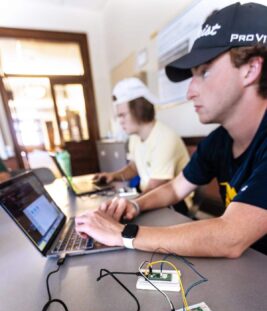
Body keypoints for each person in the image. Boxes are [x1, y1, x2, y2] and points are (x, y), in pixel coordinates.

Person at [76, 2, 267, 258]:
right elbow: (175, 188)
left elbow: (230, 236)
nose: (190, 92)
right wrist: (134, 205)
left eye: (204, 72)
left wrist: (122, 234)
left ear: (251, 69)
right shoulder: (219, 141)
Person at [94, 77, 192, 214]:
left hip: (174, 205)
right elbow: (134, 168)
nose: (120, 121)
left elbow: (157, 187)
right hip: (149, 195)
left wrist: (128, 205)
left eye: (122, 115)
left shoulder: (165, 138)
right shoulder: (135, 138)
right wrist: (113, 176)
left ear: (138, 109)